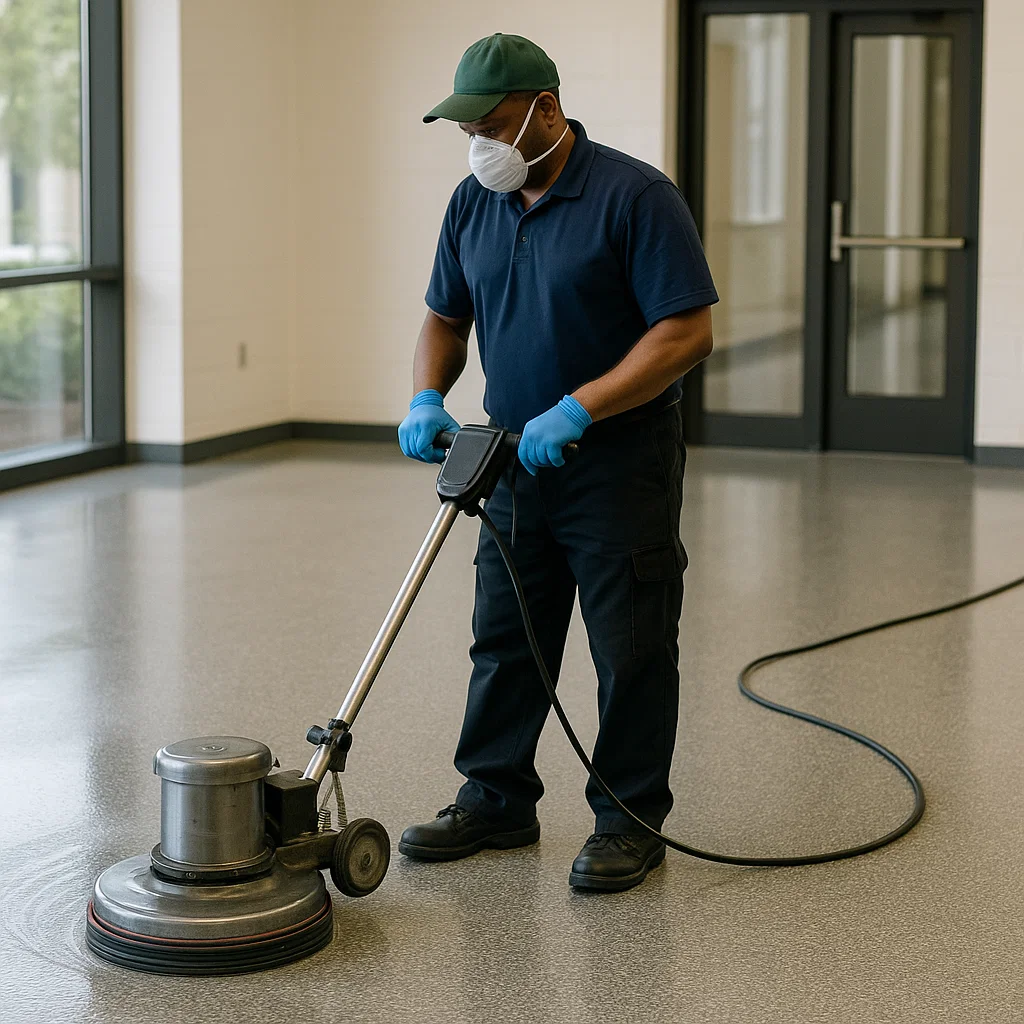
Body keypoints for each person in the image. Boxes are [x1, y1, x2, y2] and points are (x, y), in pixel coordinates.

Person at [397, 32, 717, 892]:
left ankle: (628, 819)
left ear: (547, 109)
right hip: (510, 460)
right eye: (470, 131)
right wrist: (428, 395)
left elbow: (686, 331)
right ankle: (496, 796)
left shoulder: (635, 197)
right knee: (506, 637)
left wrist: (584, 404)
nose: (483, 147)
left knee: (630, 644)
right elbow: (444, 318)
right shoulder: (473, 202)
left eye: (496, 126)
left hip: (618, 462)